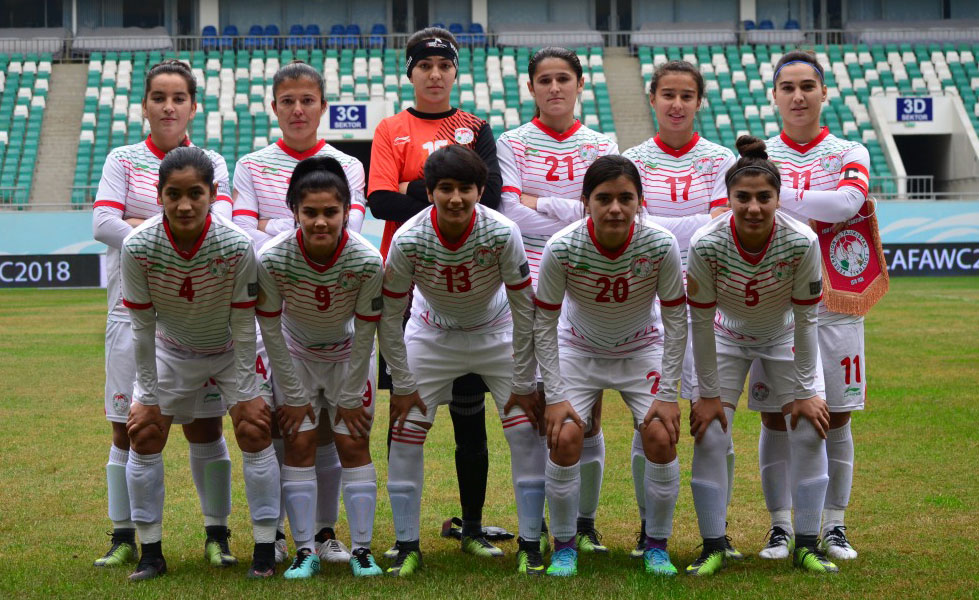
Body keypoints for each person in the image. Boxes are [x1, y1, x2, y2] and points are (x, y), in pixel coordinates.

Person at [91, 59, 237, 570]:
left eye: (179, 98)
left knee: (206, 428)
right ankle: (123, 535)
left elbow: (219, 222)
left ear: (193, 106)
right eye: (159, 97)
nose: (168, 106)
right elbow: (102, 222)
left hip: (199, 321)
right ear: (145, 106)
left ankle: (217, 535)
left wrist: (142, 221)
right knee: (126, 427)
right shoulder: (123, 158)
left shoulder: (211, 160)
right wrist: (170, 225)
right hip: (129, 316)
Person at [367, 26, 507, 557]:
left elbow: (490, 197)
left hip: (469, 285)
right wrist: (444, 200)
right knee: (406, 414)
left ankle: (472, 527)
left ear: (454, 72)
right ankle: (403, 536)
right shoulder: (391, 128)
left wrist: (418, 189)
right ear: (410, 73)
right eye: (424, 65)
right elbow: (380, 200)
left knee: (469, 417)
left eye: (444, 65)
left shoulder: (476, 127)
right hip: (409, 283)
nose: (434, 74)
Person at [377, 145, 545, 577]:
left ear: (480, 190)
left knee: (525, 432)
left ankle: (531, 545)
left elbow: (524, 308)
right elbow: (391, 315)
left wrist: (525, 380)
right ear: (430, 191)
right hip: (432, 334)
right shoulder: (409, 237)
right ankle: (407, 545)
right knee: (406, 431)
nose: (455, 198)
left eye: (465, 188)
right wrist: (401, 383)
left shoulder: (502, 231)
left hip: (495, 332)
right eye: (445, 188)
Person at [122, 147, 279, 581]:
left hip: (230, 349)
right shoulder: (138, 246)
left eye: (195, 193)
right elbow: (141, 327)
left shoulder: (236, 243)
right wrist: (147, 397)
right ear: (159, 195)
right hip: (171, 349)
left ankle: (264, 549)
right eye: (174, 194)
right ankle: (151, 553)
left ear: (213, 193)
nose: (185, 205)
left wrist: (247, 393)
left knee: (254, 428)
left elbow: (244, 324)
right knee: (144, 433)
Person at [233, 60, 367, 565]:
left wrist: (276, 227)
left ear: (322, 106)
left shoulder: (347, 164)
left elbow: (347, 235)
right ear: (274, 107)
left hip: (330, 316)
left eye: (307, 100)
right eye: (287, 101)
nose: (297, 109)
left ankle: (324, 532)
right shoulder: (251, 164)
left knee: (326, 428)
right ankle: (278, 533)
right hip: (274, 315)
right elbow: (243, 236)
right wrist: (291, 236)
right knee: (282, 425)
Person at [684, 135, 837, 575]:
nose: (753, 207)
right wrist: (707, 394)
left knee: (809, 428)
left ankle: (806, 544)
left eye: (764, 197)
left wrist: (806, 392)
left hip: (784, 334)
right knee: (711, 432)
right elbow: (700, 323)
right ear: (729, 198)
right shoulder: (706, 242)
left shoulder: (802, 240)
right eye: (743, 197)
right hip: (725, 335)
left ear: (778, 198)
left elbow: (807, 320)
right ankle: (713, 545)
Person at [534, 156, 687, 577]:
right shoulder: (562, 246)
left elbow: (676, 320)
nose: (615, 208)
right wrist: (555, 395)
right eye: (604, 199)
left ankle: (656, 545)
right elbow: (544, 324)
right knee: (565, 435)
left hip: (641, 348)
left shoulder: (660, 244)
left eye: (625, 198)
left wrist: (669, 394)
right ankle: (565, 546)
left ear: (640, 201)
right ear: (586, 202)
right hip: (578, 348)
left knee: (660, 434)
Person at [751, 50, 872, 562]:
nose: (798, 96)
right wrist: (801, 196)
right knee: (776, 418)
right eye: (788, 87)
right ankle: (780, 527)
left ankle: (834, 525)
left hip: (836, 303)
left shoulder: (849, 149)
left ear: (824, 92)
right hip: (774, 306)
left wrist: (778, 195)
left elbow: (847, 203)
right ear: (774, 96)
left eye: (807, 86)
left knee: (837, 417)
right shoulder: (760, 157)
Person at [497, 47, 618, 554]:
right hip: (529, 285)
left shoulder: (602, 144)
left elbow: (606, 212)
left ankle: (583, 524)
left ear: (580, 84)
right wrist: (575, 210)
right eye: (544, 80)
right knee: (539, 407)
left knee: (587, 413)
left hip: (587, 280)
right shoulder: (512, 142)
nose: (554, 88)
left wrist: (538, 201)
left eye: (563, 78)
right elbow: (509, 213)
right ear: (531, 88)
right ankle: (544, 523)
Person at [621, 60, 741, 560]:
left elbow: (720, 223)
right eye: (667, 94)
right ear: (652, 99)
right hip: (650, 304)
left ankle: (718, 533)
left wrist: (660, 224)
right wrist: (693, 221)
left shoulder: (720, 159)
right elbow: (633, 223)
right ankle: (648, 528)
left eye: (686, 95)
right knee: (649, 422)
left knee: (713, 423)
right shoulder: (631, 159)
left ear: (699, 102)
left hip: (710, 302)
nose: (676, 104)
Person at [255, 156, 384, 579]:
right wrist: (292, 395)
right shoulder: (272, 257)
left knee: (353, 442)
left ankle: (362, 551)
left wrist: (351, 394)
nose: (321, 222)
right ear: (294, 211)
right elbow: (270, 330)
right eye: (310, 212)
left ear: (347, 211)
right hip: (296, 355)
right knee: (299, 442)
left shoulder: (367, 260)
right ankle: (305, 551)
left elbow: (366, 333)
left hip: (348, 356)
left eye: (331, 211)